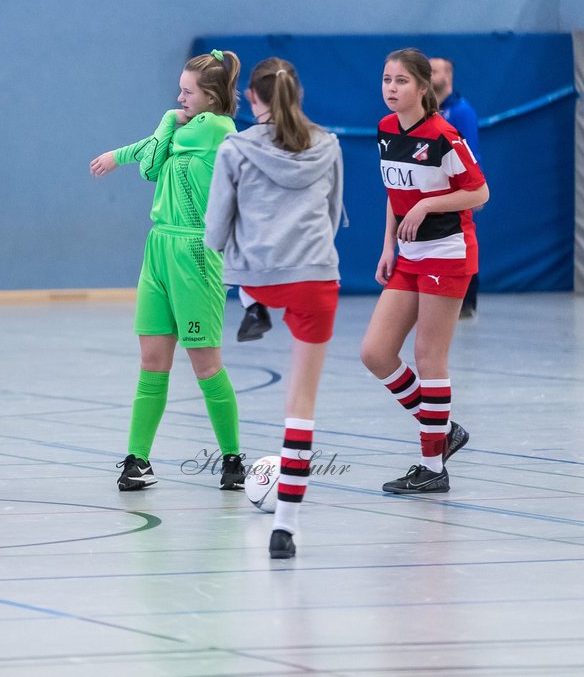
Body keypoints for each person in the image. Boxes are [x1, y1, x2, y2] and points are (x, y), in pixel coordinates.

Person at [204, 57, 343, 559]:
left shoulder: (235, 148)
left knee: (242, 275)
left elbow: (216, 230)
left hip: (260, 275)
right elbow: (332, 213)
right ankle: (284, 528)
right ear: (297, 95)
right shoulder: (328, 144)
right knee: (299, 405)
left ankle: (254, 304)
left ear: (252, 101)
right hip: (315, 276)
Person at [90, 49, 246, 492]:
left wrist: (159, 124)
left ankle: (233, 459)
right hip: (159, 246)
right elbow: (151, 158)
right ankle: (136, 460)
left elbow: (150, 162)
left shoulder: (216, 127)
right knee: (152, 362)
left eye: (187, 91)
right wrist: (121, 153)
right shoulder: (185, 128)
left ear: (212, 97)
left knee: (205, 363)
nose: (179, 98)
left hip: (195, 251)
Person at [361, 48, 488, 495]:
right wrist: (387, 247)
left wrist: (430, 203)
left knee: (429, 356)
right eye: (386, 80)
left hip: (447, 254)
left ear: (421, 87)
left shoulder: (444, 135)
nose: (391, 89)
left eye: (400, 81)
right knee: (375, 353)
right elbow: (395, 193)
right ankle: (443, 428)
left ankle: (431, 465)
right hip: (409, 257)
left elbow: (479, 193)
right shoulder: (385, 129)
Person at [429, 57, 482, 318]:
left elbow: (471, 153)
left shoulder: (461, 111)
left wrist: (473, 189)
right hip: (436, 190)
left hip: (458, 190)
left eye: (435, 70)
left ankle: (467, 300)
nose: (429, 75)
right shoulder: (428, 110)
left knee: (462, 239)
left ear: (448, 76)